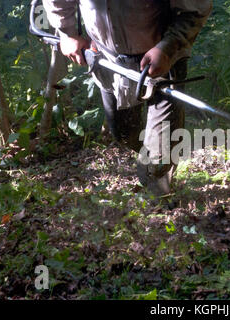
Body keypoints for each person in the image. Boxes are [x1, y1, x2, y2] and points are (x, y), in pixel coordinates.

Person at [42, 0, 212, 196]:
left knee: (159, 155)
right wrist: (68, 33)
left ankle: (161, 196)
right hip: (108, 61)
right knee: (123, 133)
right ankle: (151, 154)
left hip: (163, 60)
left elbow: (196, 10)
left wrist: (168, 46)